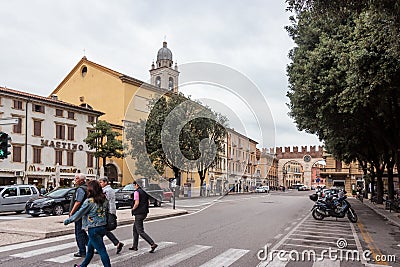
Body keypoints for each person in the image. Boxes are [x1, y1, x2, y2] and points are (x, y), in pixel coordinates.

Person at [64, 180, 111, 267]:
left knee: (102, 251)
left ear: (91, 190)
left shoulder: (89, 201)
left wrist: (69, 220)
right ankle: (82, 266)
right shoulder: (104, 199)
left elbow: (79, 213)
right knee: (90, 250)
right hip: (103, 227)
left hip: (93, 229)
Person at [129, 180, 158, 252]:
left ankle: (152, 243)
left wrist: (133, 209)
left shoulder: (137, 192)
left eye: (134, 185)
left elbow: (136, 203)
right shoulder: (145, 191)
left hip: (138, 213)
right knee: (135, 229)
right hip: (144, 212)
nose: (134, 186)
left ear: (137, 185)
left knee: (140, 231)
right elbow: (148, 202)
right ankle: (135, 246)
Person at [99, 177, 124, 254]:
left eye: (101, 182)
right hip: (109, 210)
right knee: (104, 230)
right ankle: (116, 243)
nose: (100, 184)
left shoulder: (107, 190)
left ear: (106, 182)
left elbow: (105, 201)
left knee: (103, 229)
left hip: (108, 211)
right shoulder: (108, 190)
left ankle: (98, 246)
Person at [69, 173, 89, 257]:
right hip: (84, 212)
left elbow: (78, 202)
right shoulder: (87, 188)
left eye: (77, 178)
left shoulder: (80, 189)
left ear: (81, 180)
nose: (75, 180)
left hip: (79, 213)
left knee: (79, 233)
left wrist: (72, 212)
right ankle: (94, 246)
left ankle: (82, 251)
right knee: (82, 231)